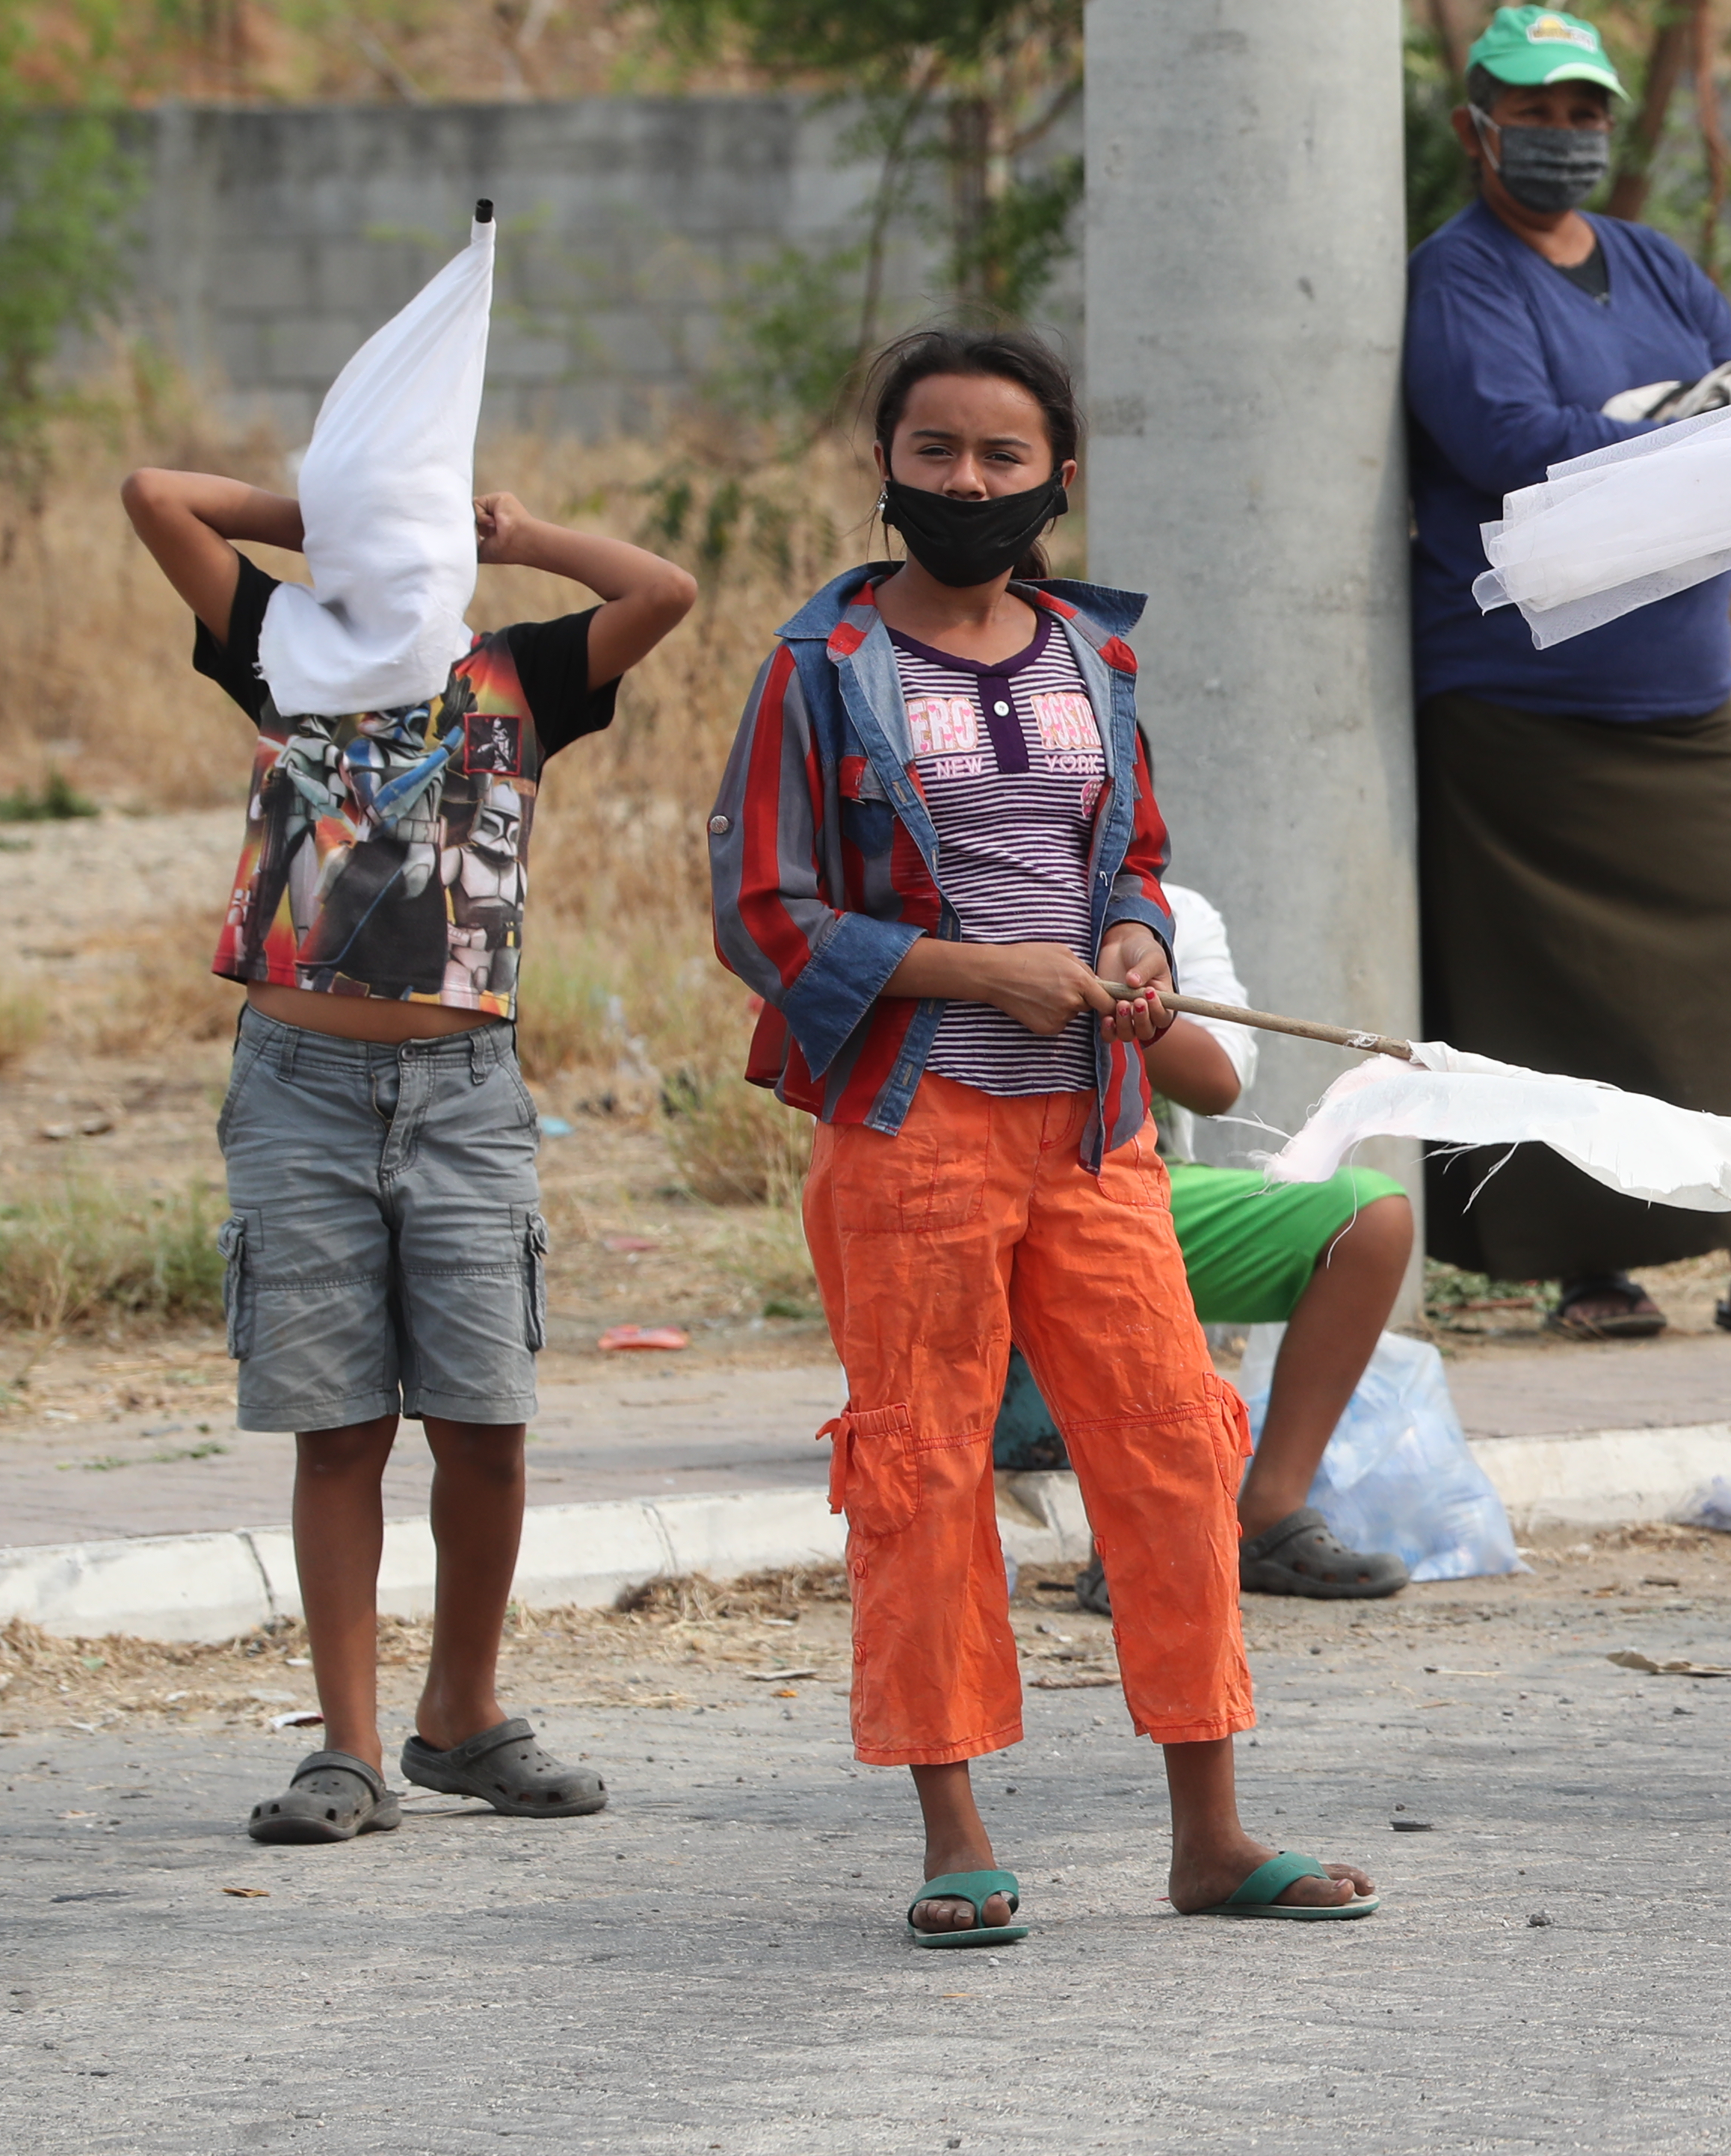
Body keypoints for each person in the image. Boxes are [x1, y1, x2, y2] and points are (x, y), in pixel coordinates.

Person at [712, 324, 1372, 1939]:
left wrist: (1136, 949)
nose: (967, 483)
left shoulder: (1098, 659)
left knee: (1168, 1447)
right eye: (934, 452)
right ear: (886, 469)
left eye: (1003, 458)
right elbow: (763, 915)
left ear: (1060, 480)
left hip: (1095, 1135)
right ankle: (954, 1833)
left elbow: (1133, 858)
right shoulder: (820, 671)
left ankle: (1211, 1838)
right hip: (911, 1124)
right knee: (921, 1469)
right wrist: (968, 973)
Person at [126, 466, 697, 1847]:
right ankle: (350, 1746)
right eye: (370, 540)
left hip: (464, 1095)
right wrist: (322, 512)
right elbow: (157, 496)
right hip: (299, 1093)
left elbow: (661, 591)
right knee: (339, 1425)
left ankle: (463, 1712)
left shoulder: (520, 673)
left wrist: (518, 534)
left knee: (485, 1419)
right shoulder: (283, 649)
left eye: (423, 538)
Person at [1401, 3, 1731, 1344]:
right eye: (1533, 113)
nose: (1562, 136)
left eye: (1582, 111)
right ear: (1477, 127)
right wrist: (1667, 423)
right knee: (1546, 990)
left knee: (1730, 966)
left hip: (1676, 685)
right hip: (1518, 696)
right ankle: (1587, 1259)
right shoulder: (1457, 274)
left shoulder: (1654, 264)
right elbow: (1502, 438)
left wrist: (1710, 415)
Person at [1007, 878, 1418, 1614]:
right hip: (980, 1184)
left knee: (1370, 1217)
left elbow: (1220, 1082)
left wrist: (1134, 1012)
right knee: (1096, 1250)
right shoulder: (969, 886)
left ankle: (1263, 1518)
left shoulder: (1173, 914)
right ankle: (1146, 1535)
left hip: (1132, 1181)